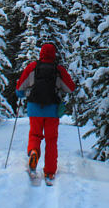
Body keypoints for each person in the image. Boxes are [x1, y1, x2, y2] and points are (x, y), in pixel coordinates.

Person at [16, 42, 76, 181]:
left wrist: (21, 94)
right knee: (51, 140)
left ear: (41, 53)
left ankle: (33, 152)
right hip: (52, 110)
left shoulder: (32, 67)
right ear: (54, 54)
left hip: (34, 108)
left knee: (35, 134)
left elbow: (20, 88)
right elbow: (70, 88)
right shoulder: (58, 69)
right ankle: (49, 172)